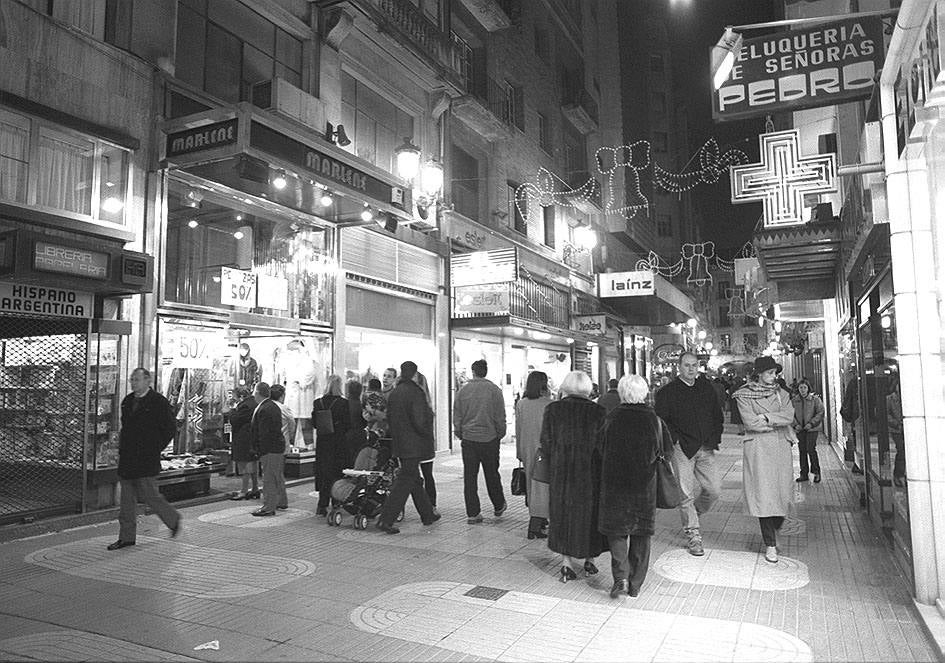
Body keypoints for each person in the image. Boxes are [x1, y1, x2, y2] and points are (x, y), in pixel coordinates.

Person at [599, 375, 674, 598]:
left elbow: (599, 449)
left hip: (614, 486)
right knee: (641, 536)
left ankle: (620, 577)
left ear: (622, 393)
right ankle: (635, 584)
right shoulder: (655, 421)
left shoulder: (611, 418)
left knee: (617, 533)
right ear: (644, 393)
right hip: (644, 488)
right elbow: (667, 452)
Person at [654, 352, 723, 557]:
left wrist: (714, 437)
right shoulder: (668, 392)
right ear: (679, 367)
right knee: (685, 494)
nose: (691, 369)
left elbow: (716, 414)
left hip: (705, 447)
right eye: (687, 365)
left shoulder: (706, 388)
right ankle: (693, 533)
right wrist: (674, 440)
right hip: (682, 449)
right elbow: (662, 419)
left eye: (694, 365)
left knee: (714, 489)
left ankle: (695, 513)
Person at [541, 370, 607, 583]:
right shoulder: (599, 412)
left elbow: (546, 442)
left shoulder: (553, 410)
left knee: (563, 515)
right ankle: (590, 560)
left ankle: (567, 563)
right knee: (590, 515)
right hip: (591, 474)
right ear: (588, 388)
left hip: (562, 473)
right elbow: (603, 447)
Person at [108, 367, 182, 550]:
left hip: (146, 458)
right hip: (128, 458)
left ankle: (173, 519)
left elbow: (170, 428)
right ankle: (126, 537)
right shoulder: (127, 401)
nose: (133, 383)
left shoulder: (158, 402)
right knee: (126, 501)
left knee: (150, 495)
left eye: (137, 379)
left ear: (148, 381)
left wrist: (155, 447)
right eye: (132, 379)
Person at [733, 356, 796, 563]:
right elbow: (750, 422)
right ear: (758, 374)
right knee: (764, 497)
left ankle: (776, 530)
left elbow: (788, 416)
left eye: (775, 373)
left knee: (781, 495)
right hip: (759, 450)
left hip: (780, 448)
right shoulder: (744, 394)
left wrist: (767, 418)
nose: (773, 376)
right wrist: (772, 420)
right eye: (769, 373)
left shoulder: (782, 393)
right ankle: (770, 544)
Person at [375, 361, 440, 534]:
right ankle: (386, 519)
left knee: (414, 479)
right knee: (405, 480)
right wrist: (427, 434)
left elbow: (390, 418)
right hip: (414, 444)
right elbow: (419, 421)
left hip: (400, 443)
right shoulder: (415, 392)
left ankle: (427, 514)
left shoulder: (395, 393)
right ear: (414, 374)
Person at [453, 359, 507, 524]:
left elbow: (457, 416)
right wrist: (500, 433)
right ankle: (498, 505)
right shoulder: (494, 390)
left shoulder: (463, 391)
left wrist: (461, 432)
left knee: (470, 477)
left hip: (469, 439)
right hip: (489, 439)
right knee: (492, 473)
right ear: (486, 371)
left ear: (473, 371)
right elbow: (500, 416)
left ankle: (473, 513)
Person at [515, 370, 552, 539]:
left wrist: (519, 451)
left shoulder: (522, 404)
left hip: (527, 449)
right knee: (542, 488)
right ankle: (535, 525)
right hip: (543, 451)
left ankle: (538, 521)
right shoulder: (549, 404)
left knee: (532, 487)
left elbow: (518, 428)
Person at [312, 375, 350, 515]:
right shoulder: (343, 403)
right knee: (336, 473)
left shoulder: (318, 403)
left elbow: (315, 423)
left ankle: (322, 505)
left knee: (324, 473)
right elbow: (348, 424)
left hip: (323, 442)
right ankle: (336, 502)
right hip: (338, 443)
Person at [250, 382, 288, 516]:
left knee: (269, 478)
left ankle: (268, 507)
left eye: (254, 391)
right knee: (277, 476)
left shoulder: (265, 408)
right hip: (276, 447)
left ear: (258, 393)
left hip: (269, 449)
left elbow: (264, 433)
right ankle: (281, 501)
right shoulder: (272, 406)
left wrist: (259, 450)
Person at [228, 386, 260, 500]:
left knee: (245, 466)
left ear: (240, 395)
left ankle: (244, 491)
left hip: (244, 439)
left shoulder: (245, 406)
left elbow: (235, 420)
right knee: (253, 465)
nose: (233, 397)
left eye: (234, 395)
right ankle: (255, 488)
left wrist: (231, 409)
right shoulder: (253, 402)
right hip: (251, 438)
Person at [792, 379, 824, 483]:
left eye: (804, 387)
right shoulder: (794, 401)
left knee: (811, 449)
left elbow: (820, 413)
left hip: (812, 429)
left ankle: (816, 472)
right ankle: (803, 474)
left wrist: (811, 424)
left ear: (808, 388)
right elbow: (790, 414)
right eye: (800, 387)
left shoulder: (815, 400)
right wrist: (795, 425)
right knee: (802, 451)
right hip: (800, 430)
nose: (802, 390)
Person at [414, 370, 438, 510]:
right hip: (424, 446)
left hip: (421, 446)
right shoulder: (426, 406)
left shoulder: (424, 406)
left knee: (424, 476)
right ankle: (430, 504)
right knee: (425, 475)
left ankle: (430, 504)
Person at [345, 380, 366, 466]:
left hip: (347, 433)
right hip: (359, 433)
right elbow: (364, 421)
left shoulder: (345, 404)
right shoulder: (361, 405)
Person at [270, 384, 296, 454]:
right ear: (282, 396)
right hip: (282, 443)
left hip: (267, 444)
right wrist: (289, 437)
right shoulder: (284, 409)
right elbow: (292, 425)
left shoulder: (265, 407)